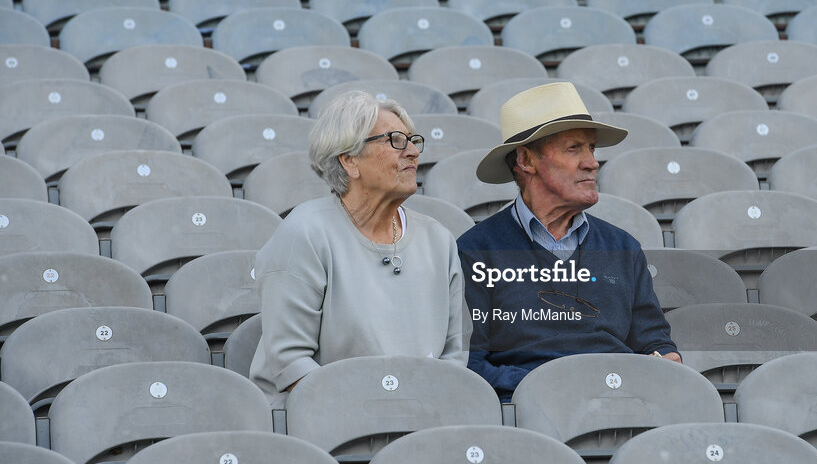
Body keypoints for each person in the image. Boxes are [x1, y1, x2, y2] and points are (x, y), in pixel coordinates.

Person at [457, 81, 680, 400]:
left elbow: (653, 342)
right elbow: (468, 361)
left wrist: (666, 358)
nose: (592, 162)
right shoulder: (475, 251)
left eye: (592, 148)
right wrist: (552, 383)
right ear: (526, 160)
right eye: (574, 148)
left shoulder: (623, 247)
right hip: (530, 409)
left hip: (622, 400)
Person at [250, 92, 468, 406]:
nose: (412, 152)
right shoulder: (305, 233)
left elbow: (453, 356)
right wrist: (373, 413)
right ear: (349, 160)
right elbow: (290, 362)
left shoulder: (439, 240)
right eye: (394, 140)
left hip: (422, 418)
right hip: (329, 424)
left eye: (412, 140)